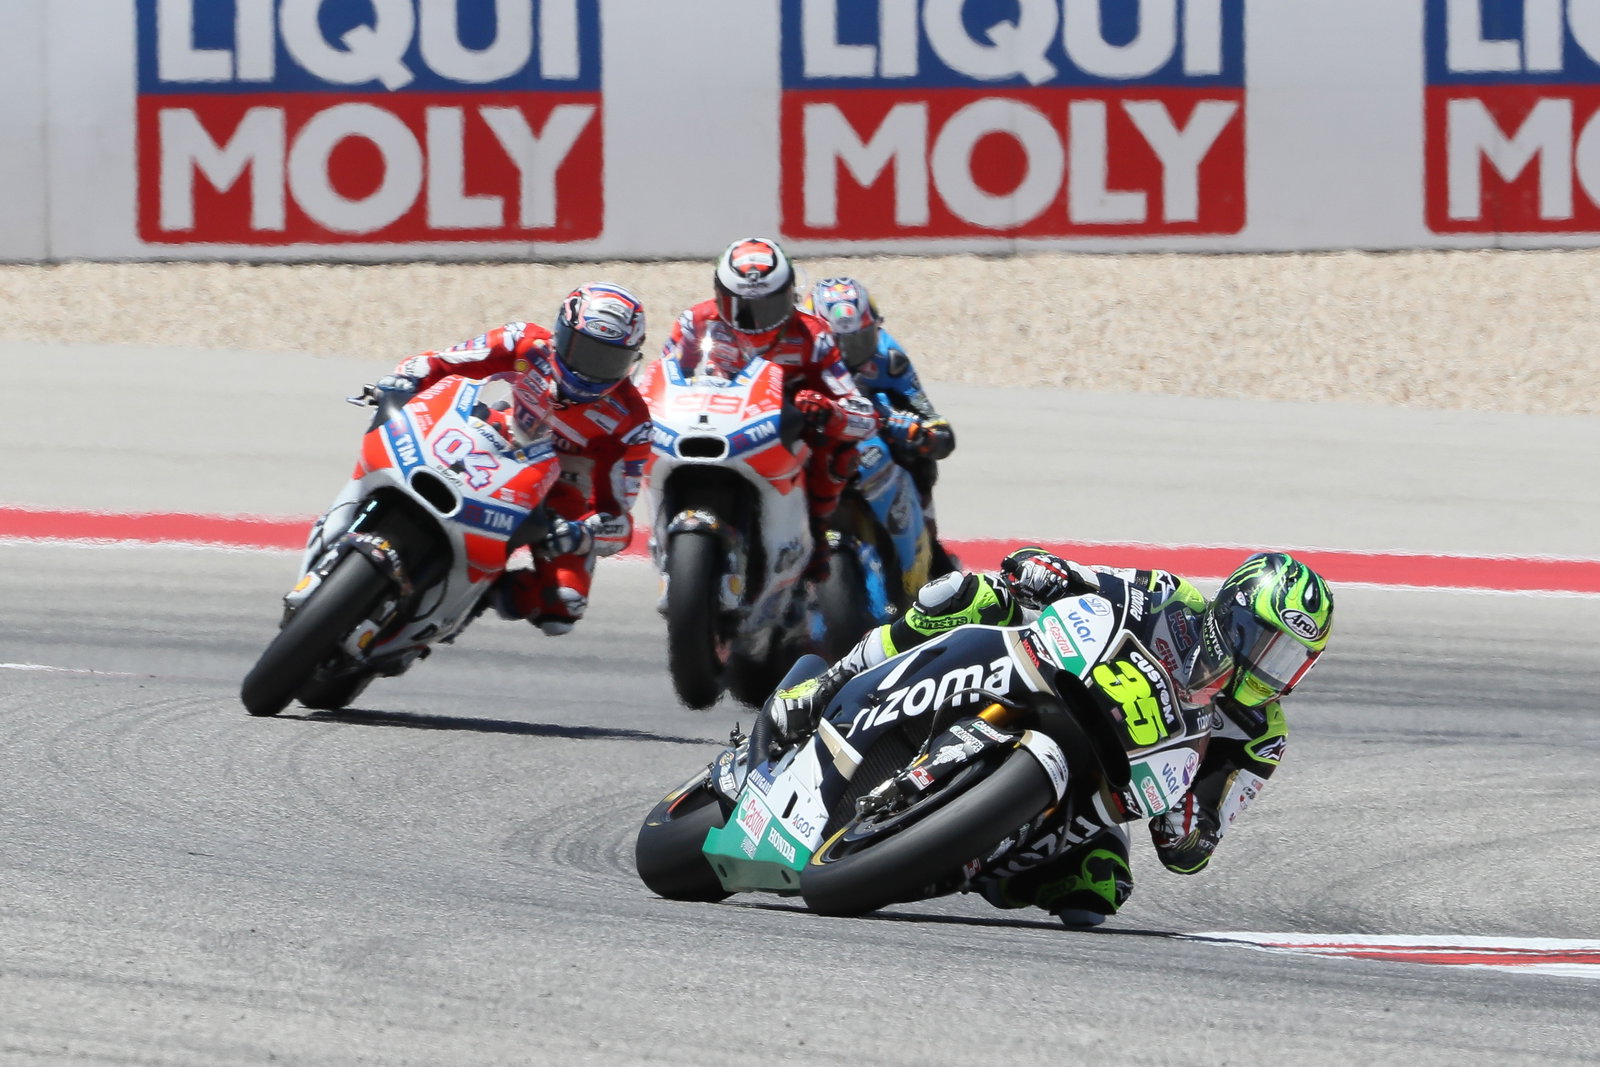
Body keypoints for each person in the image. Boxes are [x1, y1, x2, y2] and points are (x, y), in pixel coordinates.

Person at [769, 547, 1335, 928]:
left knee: (1099, 890)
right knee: (966, 594)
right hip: (1057, 680)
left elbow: (1193, 845)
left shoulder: (1260, 737)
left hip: (1103, 779)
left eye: (1289, 661)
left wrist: (1188, 826)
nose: (1270, 671)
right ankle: (829, 684)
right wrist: (1049, 571)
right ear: (1231, 619)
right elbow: (1087, 581)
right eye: (1265, 644)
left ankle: (958, 860)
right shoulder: (1173, 599)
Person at [373, 282, 652, 636]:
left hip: (558, 495)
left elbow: (617, 516)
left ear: (631, 360)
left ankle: (481, 593)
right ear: (561, 334)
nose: (591, 371)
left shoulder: (631, 422)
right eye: (584, 352)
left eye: (608, 360)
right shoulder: (523, 341)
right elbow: (443, 362)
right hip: (489, 439)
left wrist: (582, 533)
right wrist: (406, 378)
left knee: (563, 608)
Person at [656, 237, 880, 578]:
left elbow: (862, 410)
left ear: (789, 295)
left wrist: (831, 413)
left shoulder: (814, 335)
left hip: (787, 428)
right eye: (742, 307)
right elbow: (662, 376)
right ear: (720, 295)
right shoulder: (695, 323)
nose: (755, 320)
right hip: (715, 418)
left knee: (839, 450)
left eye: (769, 306)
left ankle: (816, 532)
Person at [806, 276, 959, 574]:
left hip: (873, 440)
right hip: (815, 441)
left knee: (920, 461)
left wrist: (924, 435)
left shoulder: (889, 357)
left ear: (875, 330)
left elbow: (931, 418)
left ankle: (928, 550)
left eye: (859, 341)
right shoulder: (797, 354)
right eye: (835, 344)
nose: (847, 356)